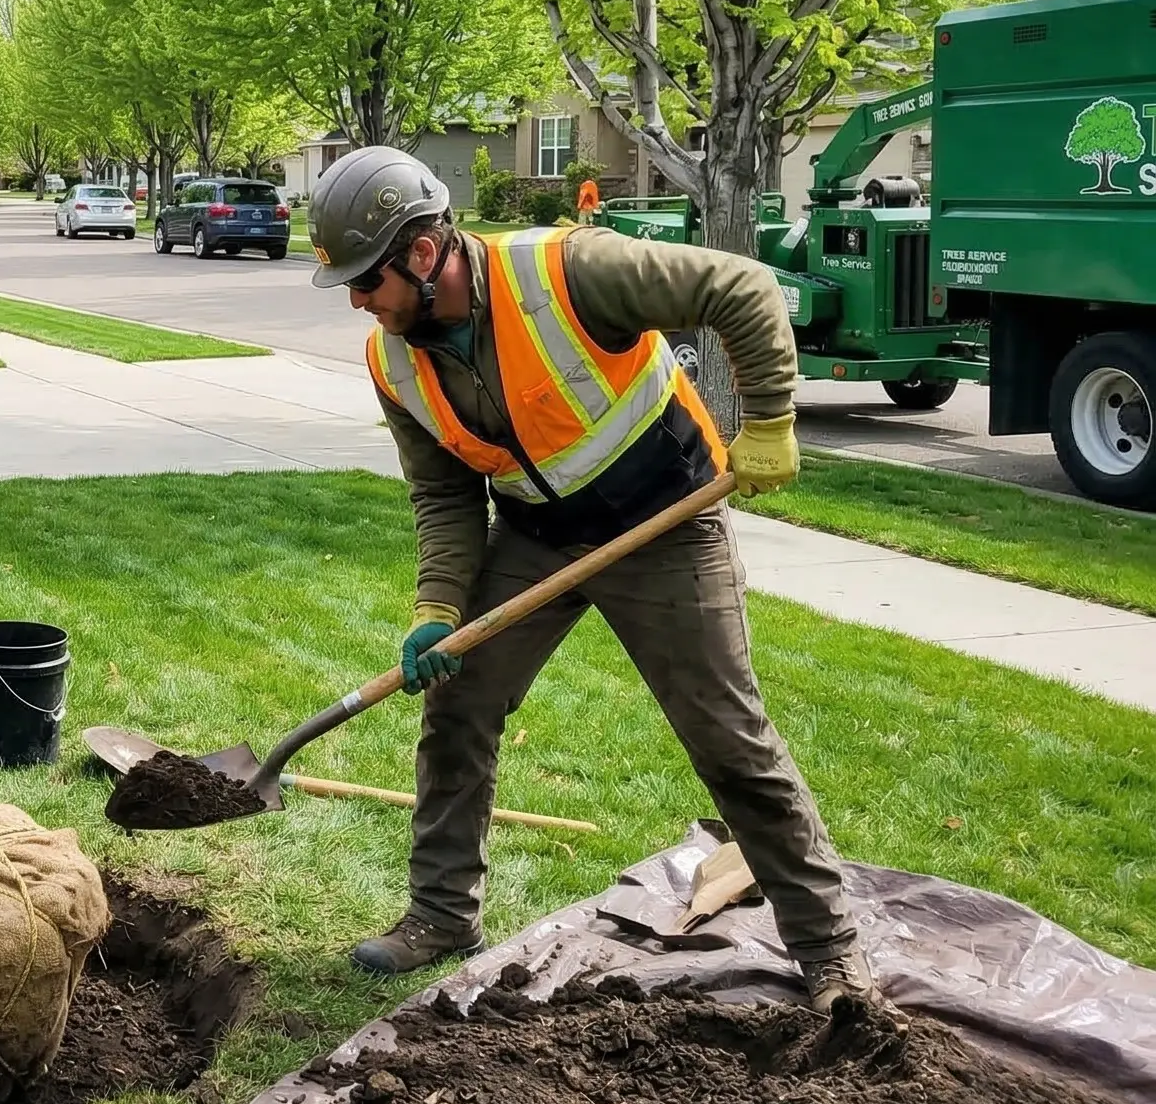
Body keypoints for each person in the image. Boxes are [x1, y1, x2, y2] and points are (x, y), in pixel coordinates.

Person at [309, 147, 873, 1009]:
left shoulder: (570, 271)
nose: (357, 301)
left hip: (667, 523)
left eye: (365, 279)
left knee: (728, 739)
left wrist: (769, 418)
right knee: (457, 704)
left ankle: (830, 954)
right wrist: (438, 606)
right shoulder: (395, 361)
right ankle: (442, 913)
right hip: (538, 535)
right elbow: (444, 494)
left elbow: (745, 288)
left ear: (423, 255)